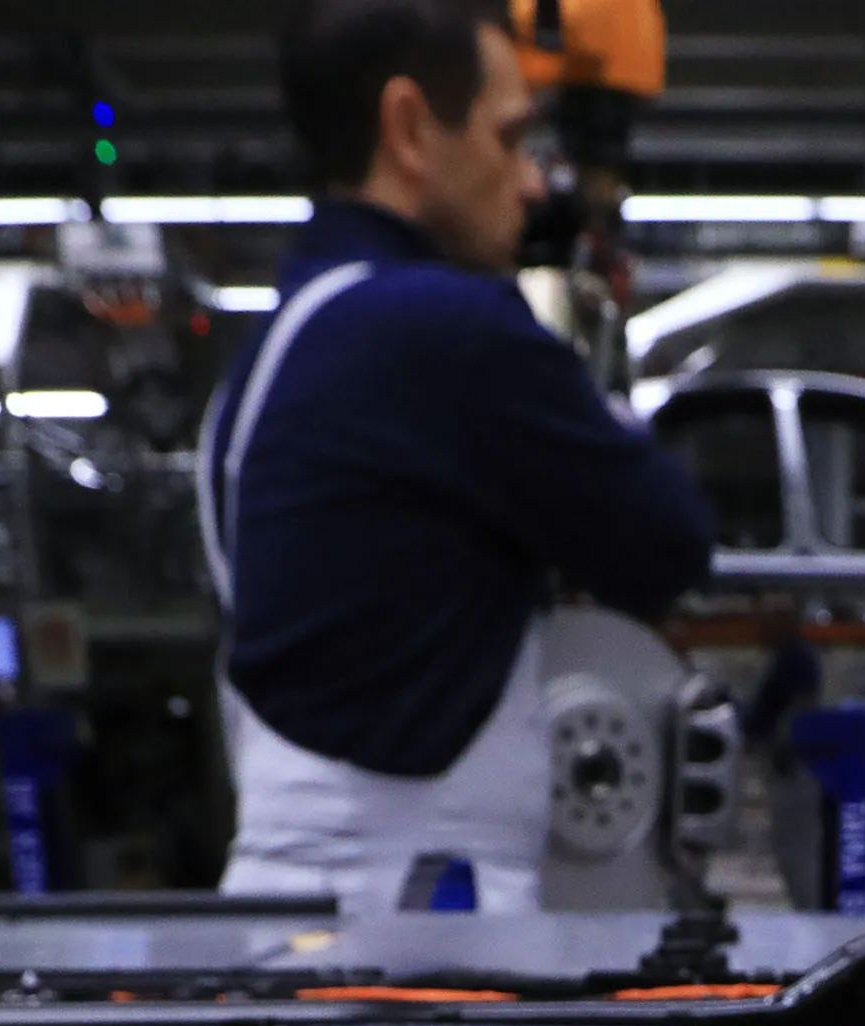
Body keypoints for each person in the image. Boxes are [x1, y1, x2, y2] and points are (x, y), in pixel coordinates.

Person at [206, 0, 718, 914]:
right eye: (509, 138)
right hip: (419, 933)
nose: (530, 183)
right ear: (409, 129)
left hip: (294, 909)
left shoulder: (276, 346)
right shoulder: (443, 331)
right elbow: (667, 543)